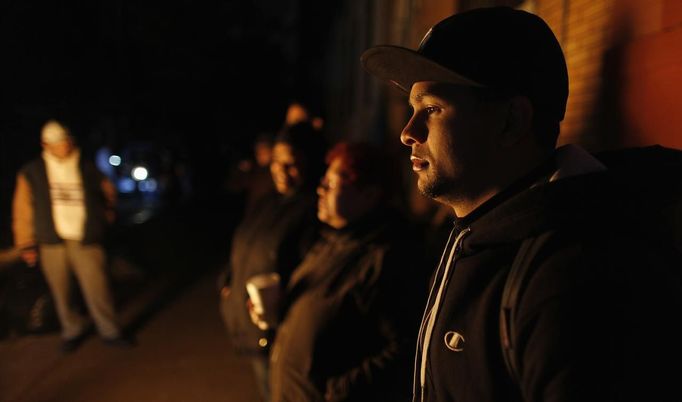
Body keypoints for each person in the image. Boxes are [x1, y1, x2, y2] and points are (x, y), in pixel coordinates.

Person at [361, 6, 681, 402]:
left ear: (511, 120)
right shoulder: (477, 236)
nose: (408, 133)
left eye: (431, 109)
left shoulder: (578, 272)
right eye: (412, 110)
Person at [249, 141, 426, 402]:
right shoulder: (331, 241)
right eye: (323, 180)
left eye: (331, 184)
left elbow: (407, 346)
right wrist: (281, 312)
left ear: (370, 194)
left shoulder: (385, 260)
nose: (320, 189)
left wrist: (339, 390)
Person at [219, 121, 327, 402]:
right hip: (251, 326)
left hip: (279, 330)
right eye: (277, 161)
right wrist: (228, 281)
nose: (281, 169)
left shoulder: (314, 211)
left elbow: (312, 273)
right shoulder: (268, 201)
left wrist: (278, 303)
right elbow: (243, 242)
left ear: (310, 163)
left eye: (291, 163)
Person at [11, 119, 132, 352]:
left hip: (85, 237)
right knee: (61, 291)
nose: (62, 146)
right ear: (45, 145)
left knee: (98, 288)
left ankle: (111, 331)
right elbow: (23, 209)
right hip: (51, 241)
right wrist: (26, 243)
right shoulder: (32, 172)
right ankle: (72, 330)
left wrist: (104, 218)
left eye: (65, 141)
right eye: (56, 143)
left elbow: (109, 193)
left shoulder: (87, 167)